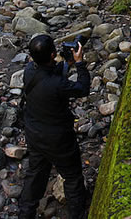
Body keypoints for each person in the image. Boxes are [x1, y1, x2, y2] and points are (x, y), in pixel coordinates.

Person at [19, 34, 90, 219]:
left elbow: (49, 73)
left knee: (35, 174)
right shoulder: (58, 85)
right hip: (58, 138)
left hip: (34, 134)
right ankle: (77, 213)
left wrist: (67, 63)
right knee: (72, 177)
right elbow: (82, 88)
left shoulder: (29, 71)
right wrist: (80, 63)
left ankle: (25, 213)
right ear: (52, 55)